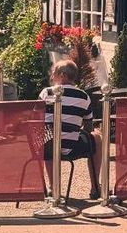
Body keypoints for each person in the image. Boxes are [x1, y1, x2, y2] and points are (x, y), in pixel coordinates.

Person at [39, 61, 101, 200]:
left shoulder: (46, 93)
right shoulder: (84, 96)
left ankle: (53, 187)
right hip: (72, 147)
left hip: (47, 148)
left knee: (48, 135)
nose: (51, 76)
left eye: (53, 72)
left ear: (62, 75)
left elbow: (37, 119)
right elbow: (88, 126)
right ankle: (95, 186)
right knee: (97, 137)